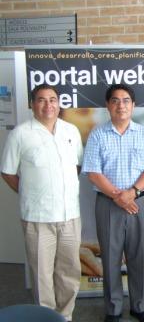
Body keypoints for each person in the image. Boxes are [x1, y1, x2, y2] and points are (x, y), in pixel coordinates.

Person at [0, 83, 82, 322]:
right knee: (42, 275)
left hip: (70, 215)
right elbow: (7, 172)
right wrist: (28, 192)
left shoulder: (71, 131)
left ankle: (65, 317)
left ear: (59, 103)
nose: (48, 105)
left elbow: (76, 166)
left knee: (69, 272)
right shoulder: (20, 134)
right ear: (32, 104)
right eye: (42, 100)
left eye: (53, 99)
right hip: (37, 217)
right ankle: (45, 317)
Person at [82, 83, 144, 322]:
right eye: (115, 100)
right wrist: (119, 196)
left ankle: (139, 306)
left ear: (133, 105)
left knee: (138, 255)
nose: (121, 105)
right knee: (110, 257)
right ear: (108, 105)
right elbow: (93, 172)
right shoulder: (98, 133)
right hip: (108, 204)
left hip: (138, 202)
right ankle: (113, 308)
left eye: (126, 100)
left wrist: (133, 192)